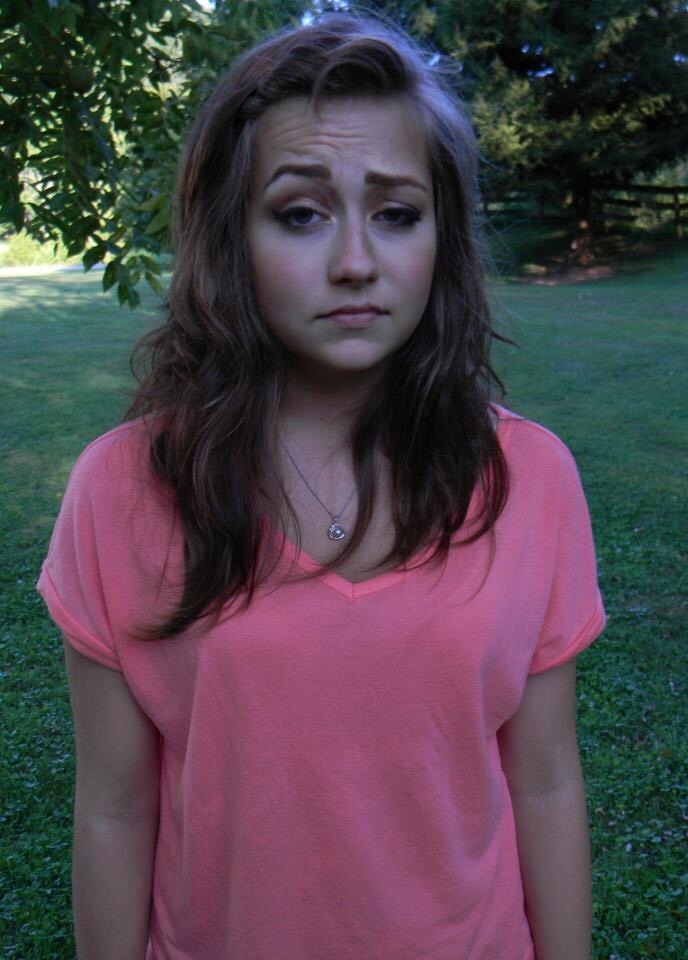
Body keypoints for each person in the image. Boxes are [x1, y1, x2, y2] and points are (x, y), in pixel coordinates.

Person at [37, 11, 605, 960]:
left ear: (443, 236)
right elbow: (113, 808)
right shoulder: (120, 490)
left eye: (396, 213)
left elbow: (545, 781)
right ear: (231, 234)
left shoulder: (532, 480)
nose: (355, 263)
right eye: (301, 213)